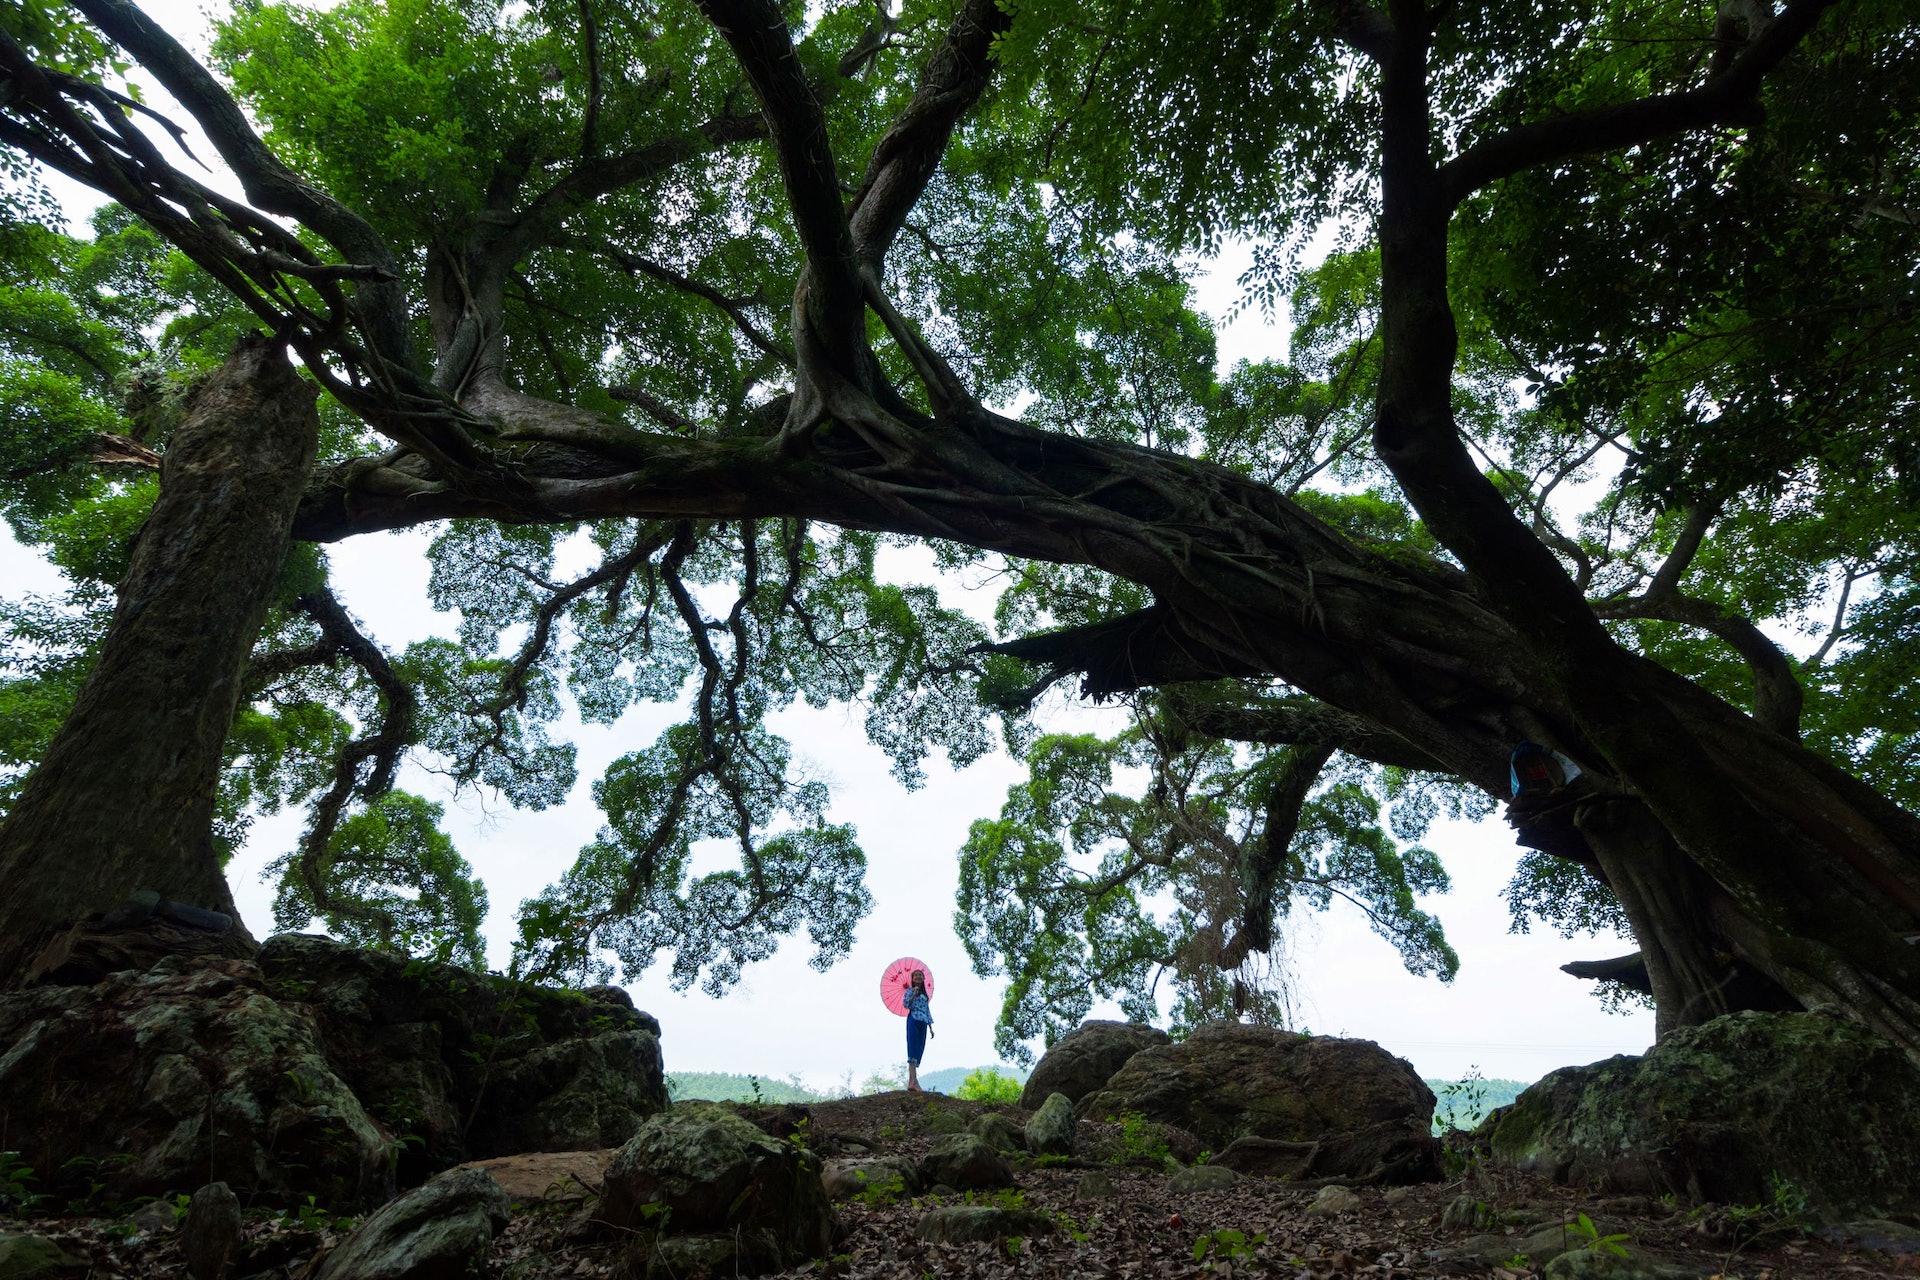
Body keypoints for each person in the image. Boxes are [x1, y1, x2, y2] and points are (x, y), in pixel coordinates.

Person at [904, 969, 934, 1092]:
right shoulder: (910, 991)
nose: (918, 977)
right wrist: (913, 995)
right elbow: (906, 1004)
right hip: (913, 1019)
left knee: (920, 1049)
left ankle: (911, 1082)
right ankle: (913, 1082)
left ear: (923, 978)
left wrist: (931, 1027)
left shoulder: (925, 996)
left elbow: (927, 1010)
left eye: (920, 975)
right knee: (913, 1047)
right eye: (915, 975)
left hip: (923, 1022)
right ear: (912, 979)